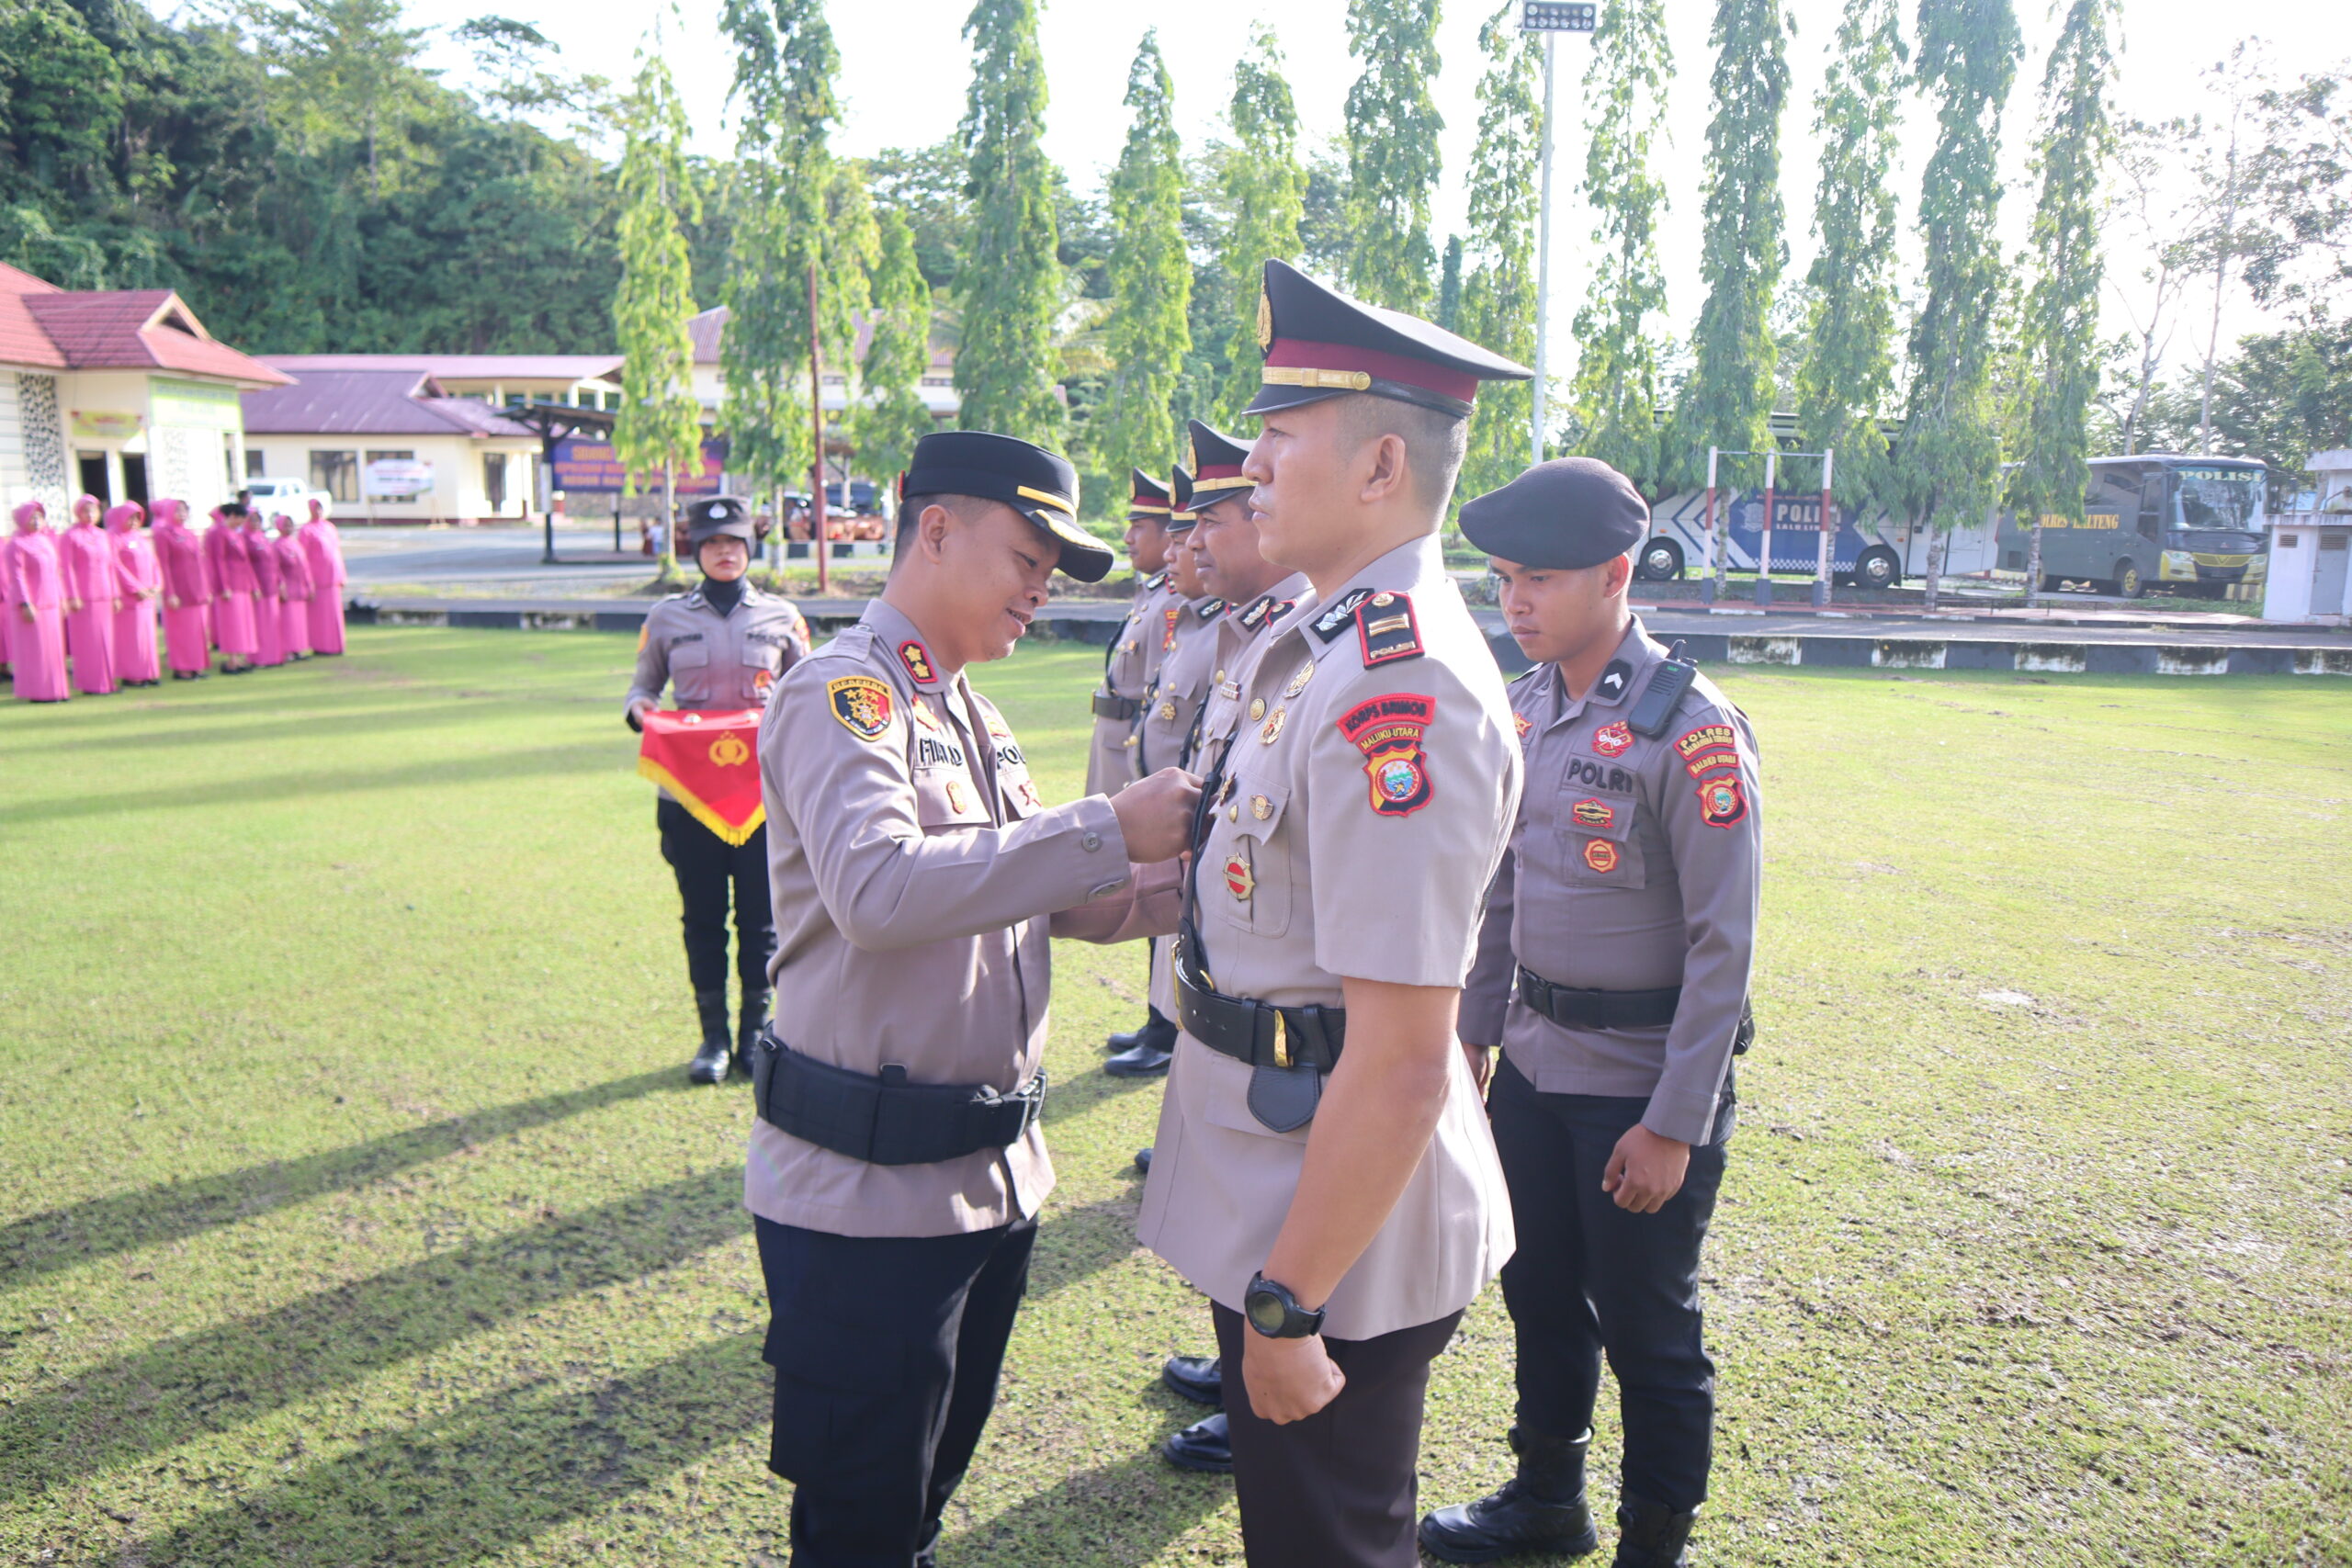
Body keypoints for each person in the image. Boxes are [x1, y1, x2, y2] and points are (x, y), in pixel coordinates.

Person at [1136, 257, 1532, 1568]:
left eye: (1280, 432)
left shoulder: (1395, 681)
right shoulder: (1314, 639)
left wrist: (1290, 1297)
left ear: (1377, 468)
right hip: (1273, 1169)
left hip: (1331, 1219)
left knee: (1331, 1550)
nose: (1250, 461)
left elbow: (1410, 1054)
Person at [746, 429, 1197, 1567]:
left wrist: (1203, 883)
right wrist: (1103, 825)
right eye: (1026, 558)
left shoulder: (969, 714)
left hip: (985, 1185)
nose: (1038, 591)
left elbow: (1042, 900)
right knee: (859, 1521)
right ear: (935, 530)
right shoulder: (843, 695)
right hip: (868, 1202)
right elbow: (881, 890)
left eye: (1051, 572)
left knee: (922, 1497)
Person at [1419, 459, 1762, 1568]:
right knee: (1537, 1294)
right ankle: (1544, 1499)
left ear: (1617, 575)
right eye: (1504, 578)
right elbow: (1501, 890)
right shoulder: (1523, 709)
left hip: (1638, 1087)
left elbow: (1725, 945)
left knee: (1649, 1329)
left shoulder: (1692, 731)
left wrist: (1674, 1123)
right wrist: (1472, 1036)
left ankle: (1651, 1544)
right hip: (1531, 1068)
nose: (1514, 603)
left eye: (1542, 581)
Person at [1144, 414, 1317, 1474]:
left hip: (1294, 1024)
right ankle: (1238, 1356)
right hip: (1220, 966)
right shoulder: (1244, 630)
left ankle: (1263, 1365)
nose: (1201, 541)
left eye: (1224, 517)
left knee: (1283, 1206)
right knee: (1236, 1201)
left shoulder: (1309, 642)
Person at [627, 496, 814, 1084]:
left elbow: (806, 691)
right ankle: (711, 1039)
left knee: (762, 921)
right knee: (702, 918)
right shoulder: (665, 619)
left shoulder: (783, 616)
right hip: (690, 799)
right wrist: (642, 714)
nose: (723, 552)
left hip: (766, 798)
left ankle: (756, 1036)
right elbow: (643, 689)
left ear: (749, 548)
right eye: (711, 544)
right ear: (696, 551)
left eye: (733, 542)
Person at [1105, 467, 1229, 1083]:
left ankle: (1168, 1031)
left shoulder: (1227, 626)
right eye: (1184, 532)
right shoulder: (1199, 620)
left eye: (1204, 526)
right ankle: (1163, 1025)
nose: (1188, 546)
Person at [1095, 468, 1182, 1060]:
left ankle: (1164, 1025)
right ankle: (1156, 1018)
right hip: (1124, 745)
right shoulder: (1151, 592)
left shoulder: (1175, 601)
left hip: (1144, 753)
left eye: (1140, 527)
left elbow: (1165, 690)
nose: (1130, 538)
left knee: (1160, 892)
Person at [7, 501, 71, 703]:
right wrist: (25, 603)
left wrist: (62, 597)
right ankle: (40, 692)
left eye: (39, 517)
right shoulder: (16, 544)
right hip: (33, 606)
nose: (36, 521)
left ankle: (57, 689)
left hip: (51, 602)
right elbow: (17, 576)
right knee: (37, 650)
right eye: (32, 517)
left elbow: (55, 572)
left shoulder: (45, 541)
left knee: (54, 649)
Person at [59, 494, 119, 695]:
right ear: (78, 512)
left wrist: (116, 594)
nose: (90, 514)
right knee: (89, 641)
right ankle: (93, 683)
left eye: (94, 510)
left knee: (106, 640)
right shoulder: (70, 536)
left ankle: (108, 681)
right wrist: (72, 595)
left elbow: (111, 566)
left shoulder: (103, 535)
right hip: (84, 597)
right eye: (86, 510)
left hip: (105, 594)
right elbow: (67, 567)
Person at [153, 499, 213, 682]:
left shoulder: (190, 534)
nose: (181, 513)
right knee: (182, 632)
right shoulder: (164, 534)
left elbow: (200, 563)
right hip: (179, 591)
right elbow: (164, 564)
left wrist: (206, 588)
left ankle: (197, 666)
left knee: (198, 630)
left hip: (196, 590)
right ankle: (183, 668)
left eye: (184, 510)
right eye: (177, 510)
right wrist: (170, 592)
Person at [106, 502, 163, 687]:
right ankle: (133, 675)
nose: (133, 522)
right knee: (132, 637)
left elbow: (153, 562)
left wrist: (156, 584)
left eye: (137, 518)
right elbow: (116, 565)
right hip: (130, 597)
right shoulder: (114, 538)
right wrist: (135, 588)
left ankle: (149, 671)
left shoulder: (140, 538)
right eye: (130, 517)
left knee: (148, 636)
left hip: (147, 597)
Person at [205, 505, 258, 673]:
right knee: (232, 623)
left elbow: (246, 561)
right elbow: (219, 560)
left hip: (242, 582)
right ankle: (232, 660)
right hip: (230, 584)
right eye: (241, 519)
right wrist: (224, 585)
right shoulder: (219, 533)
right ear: (233, 516)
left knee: (243, 622)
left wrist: (253, 584)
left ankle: (241, 657)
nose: (243, 523)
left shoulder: (237, 534)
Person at [298, 498, 348, 655]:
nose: (318, 512)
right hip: (318, 579)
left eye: (320, 508)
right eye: (316, 508)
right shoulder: (307, 530)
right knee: (320, 615)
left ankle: (336, 645)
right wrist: (307, 581)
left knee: (334, 613)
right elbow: (303, 557)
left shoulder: (329, 527)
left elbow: (336, 551)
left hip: (333, 577)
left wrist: (342, 574)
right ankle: (321, 646)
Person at [243, 508, 285, 668]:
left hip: (271, 585)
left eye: (257, 520)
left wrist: (281, 581)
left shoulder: (264, 539)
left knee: (273, 621)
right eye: (252, 520)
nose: (255, 524)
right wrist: (253, 586)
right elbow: (246, 566)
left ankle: (275, 655)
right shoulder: (245, 539)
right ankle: (259, 658)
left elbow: (274, 562)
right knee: (259, 623)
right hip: (258, 588)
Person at [274, 513, 314, 660]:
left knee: (299, 621)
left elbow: (305, 567)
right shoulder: (277, 545)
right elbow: (276, 569)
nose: (288, 528)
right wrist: (281, 586)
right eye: (285, 525)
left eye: (290, 525)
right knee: (288, 621)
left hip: (300, 587)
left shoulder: (296, 544)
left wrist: (310, 585)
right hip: (288, 588)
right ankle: (288, 649)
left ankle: (299, 648)